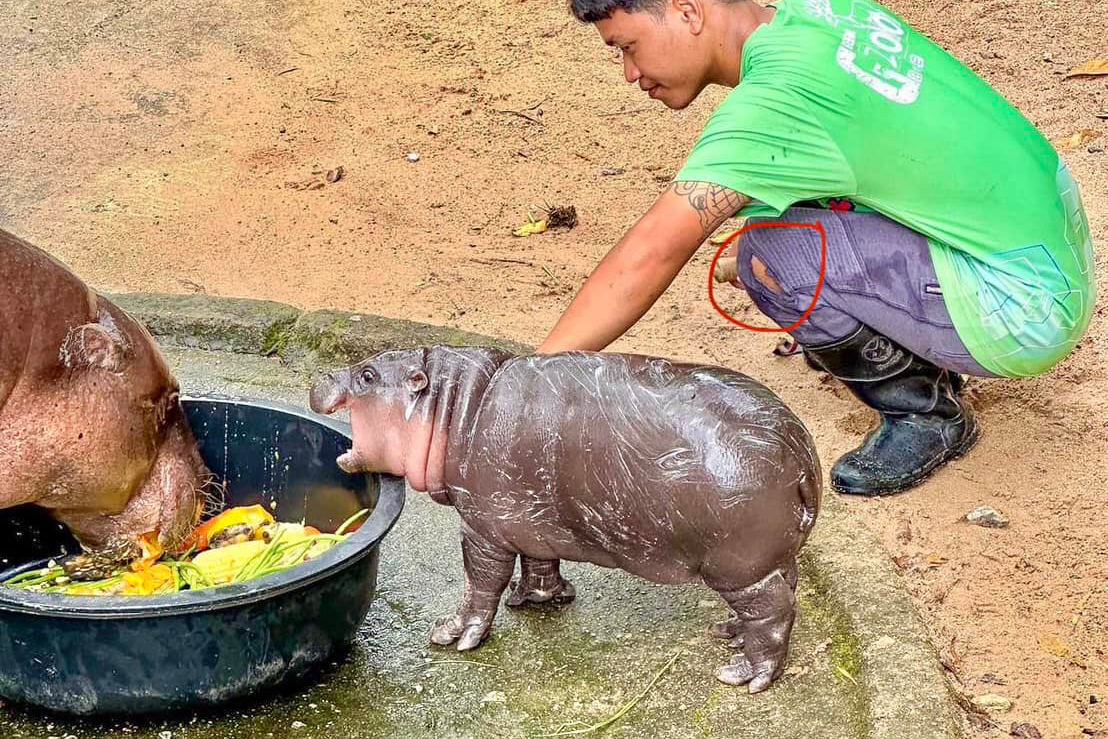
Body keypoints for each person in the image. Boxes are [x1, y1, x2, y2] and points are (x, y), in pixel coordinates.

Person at [536, 0, 1096, 496]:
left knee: (773, 256)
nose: (630, 73)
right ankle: (911, 338)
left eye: (627, 47)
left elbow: (648, 254)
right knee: (788, 216)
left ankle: (928, 415)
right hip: (1047, 251)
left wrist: (523, 384)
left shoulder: (779, 103)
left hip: (1023, 309)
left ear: (687, 10)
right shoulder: (813, 12)